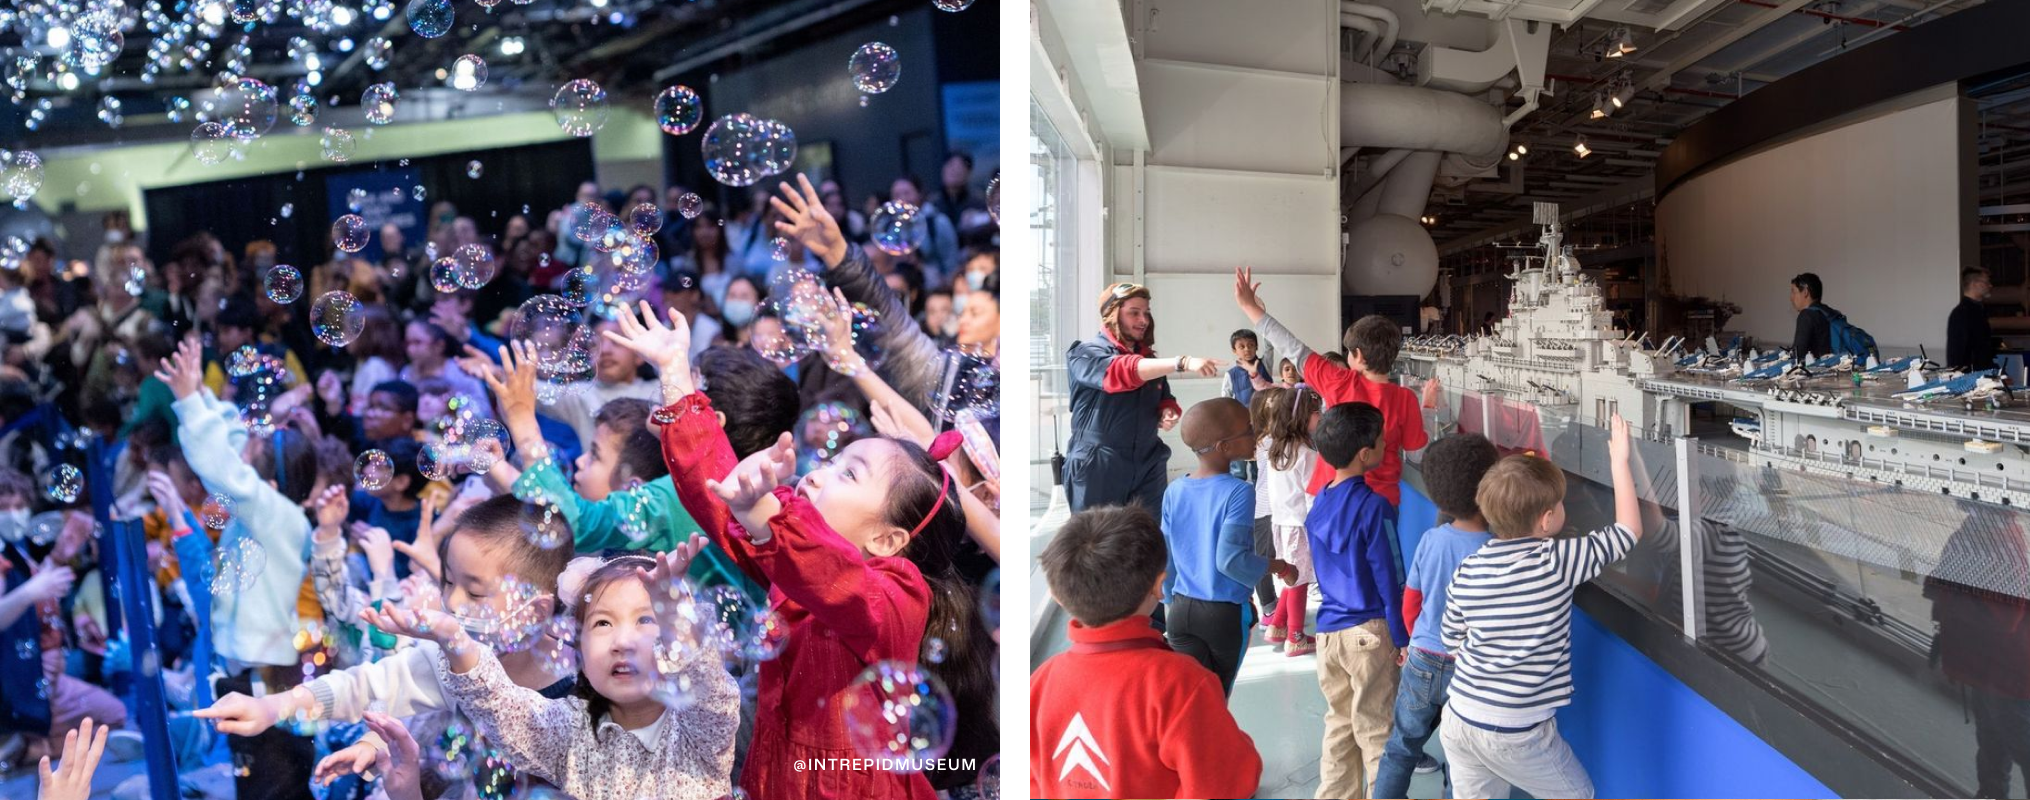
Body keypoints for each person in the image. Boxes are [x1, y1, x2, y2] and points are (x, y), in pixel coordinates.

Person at [608, 302, 1000, 799]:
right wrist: (675, 378)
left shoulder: (900, 594)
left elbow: (835, 582)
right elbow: (719, 495)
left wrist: (766, 515)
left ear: (886, 540)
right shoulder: (789, 562)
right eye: (835, 460)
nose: (818, 472)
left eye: (849, 474)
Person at [366, 548, 739, 800]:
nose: (623, 641)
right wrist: (452, 638)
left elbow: (710, 690)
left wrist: (677, 619)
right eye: (603, 623)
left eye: (647, 619)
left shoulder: (698, 734)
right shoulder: (570, 730)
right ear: (578, 648)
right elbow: (503, 706)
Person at [1439, 413, 1642, 800]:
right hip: (1515, 730)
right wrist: (1619, 461)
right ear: (1547, 520)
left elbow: (1451, 637)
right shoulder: (1556, 561)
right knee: (1577, 794)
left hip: (1460, 715)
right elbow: (1628, 531)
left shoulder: (1469, 567)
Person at [1030, 505, 1264, 798]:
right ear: (1158, 586)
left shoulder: (1040, 683)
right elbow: (1229, 782)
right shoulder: (1182, 683)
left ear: (1058, 596)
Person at [1371, 432, 1501, 798]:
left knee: (1401, 746)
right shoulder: (1497, 550)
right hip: (1470, 668)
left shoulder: (1432, 540)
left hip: (1424, 659)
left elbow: (1411, 600)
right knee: (1462, 752)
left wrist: (1415, 640)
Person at [1235, 267, 1430, 510]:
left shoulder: (1338, 381)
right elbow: (1417, 455)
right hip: (1380, 502)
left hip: (1331, 495)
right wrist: (1429, 408)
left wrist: (1250, 308)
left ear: (1357, 356)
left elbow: (1292, 348)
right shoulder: (1406, 399)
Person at [1304, 401, 1406, 799]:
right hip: (1370, 633)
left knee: (1340, 724)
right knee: (1376, 726)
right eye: (1381, 440)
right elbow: (1390, 573)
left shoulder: (1320, 503)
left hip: (1328, 634)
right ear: (1366, 454)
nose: (1385, 443)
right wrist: (1400, 635)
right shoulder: (1374, 506)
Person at [1160, 397, 1288, 696]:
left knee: (1189, 702)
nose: (1256, 433)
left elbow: (1165, 558)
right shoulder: (1238, 492)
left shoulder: (1174, 490)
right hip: (1222, 615)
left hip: (1180, 612)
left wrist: (1170, 605)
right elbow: (1231, 561)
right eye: (1248, 428)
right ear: (1224, 447)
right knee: (1217, 700)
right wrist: (1280, 566)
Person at [1064, 282, 1221, 514]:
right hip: (1099, 462)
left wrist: (1167, 411)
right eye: (1134, 312)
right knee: (1097, 542)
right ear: (1112, 314)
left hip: (1148, 460)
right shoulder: (1084, 353)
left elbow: (1164, 396)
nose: (1143, 320)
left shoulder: (1148, 360)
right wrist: (1182, 362)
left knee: (1147, 539)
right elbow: (1121, 372)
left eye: (1146, 312)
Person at [1258, 385, 1321, 657]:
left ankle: (1278, 625)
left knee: (1290, 575)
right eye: (1317, 413)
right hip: (1300, 525)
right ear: (1303, 418)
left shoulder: (1278, 448)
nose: (1320, 418)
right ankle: (1295, 636)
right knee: (1299, 580)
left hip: (1282, 523)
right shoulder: (1306, 454)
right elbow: (1311, 496)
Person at [1947, 266, 1996, 372]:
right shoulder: (1962, 314)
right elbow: (1957, 353)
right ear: (1975, 284)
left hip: (1981, 374)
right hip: (1973, 378)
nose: (1990, 286)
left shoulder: (1977, 312)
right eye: (1987, 282)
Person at [1788, 271, 1837, 360]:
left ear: (1805, 292)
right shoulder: (1827, 311)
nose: (1791, 298)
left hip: (1817, 370)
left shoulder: (1806, 315)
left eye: (1794, 292)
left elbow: (1798, 354)